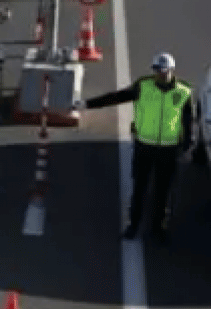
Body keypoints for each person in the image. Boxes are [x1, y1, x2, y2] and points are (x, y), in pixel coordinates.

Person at [75, 52, 194, 242]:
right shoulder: (143, 86)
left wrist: (188, 144)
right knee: (140, 188)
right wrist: (87, 104)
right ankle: (134, 225)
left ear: (172, 71)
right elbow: (116, 97)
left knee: (163, 191)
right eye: (156, 71)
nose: (159, 75)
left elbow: (188, 121)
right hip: (144, 146)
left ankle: (158, 228)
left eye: (163, 72)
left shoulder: (183, 91)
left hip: (169, 149)